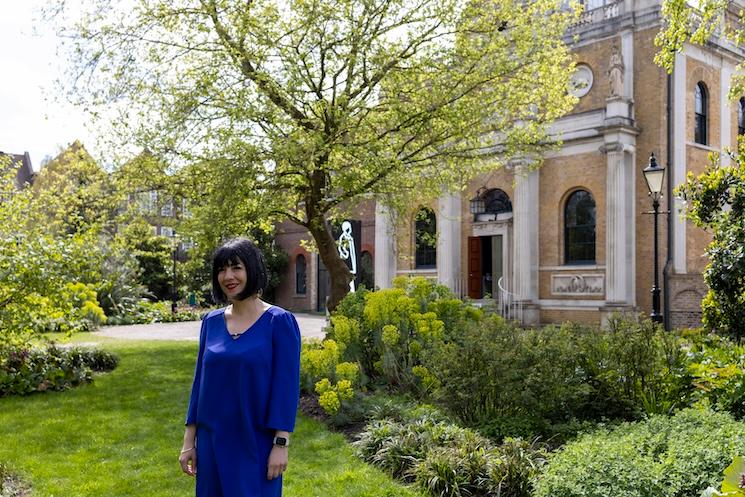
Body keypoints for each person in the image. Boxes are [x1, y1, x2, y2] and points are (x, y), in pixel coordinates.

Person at [179, 238, 301, 497]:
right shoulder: (210, 322)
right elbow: (200, 383)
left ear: (252, 269)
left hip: (256, 443)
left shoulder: (279, 322)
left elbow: (286, 388)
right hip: (212, 442)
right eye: (222, 270)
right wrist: (189, 442)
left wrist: (281, 443)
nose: (228, 276)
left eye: (236, 267)